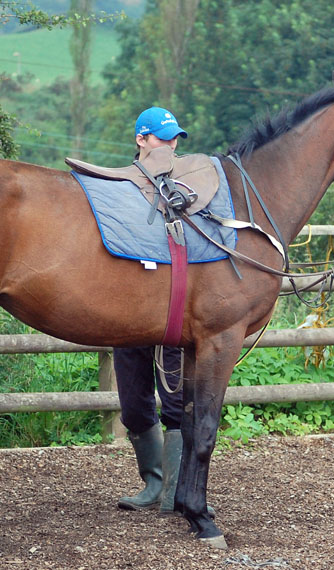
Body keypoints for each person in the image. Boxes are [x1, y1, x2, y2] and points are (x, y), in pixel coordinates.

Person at [115, 107, 187, 514]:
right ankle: (154, 484)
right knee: (134, 405)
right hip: (128, 310)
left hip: (170, 311)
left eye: (174, 137)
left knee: (175, 401)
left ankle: (176, 492)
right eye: (163, 137)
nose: (171, 144)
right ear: (141, 140)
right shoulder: (121, 187)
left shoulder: (187, 189)